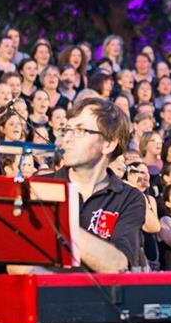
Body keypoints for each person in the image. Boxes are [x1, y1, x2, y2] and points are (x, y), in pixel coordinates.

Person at [45, 97, 146, 271]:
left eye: (80, 130)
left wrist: (51, 225)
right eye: (67, 129)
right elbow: (18, 267)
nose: (66, 139)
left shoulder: (129, 198)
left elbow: (118, 264)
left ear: (108, 144)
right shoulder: (40, 186)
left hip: (103, 297)